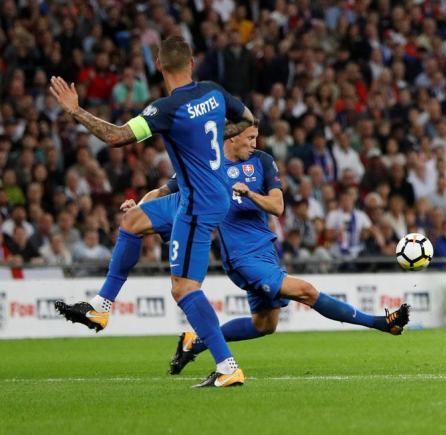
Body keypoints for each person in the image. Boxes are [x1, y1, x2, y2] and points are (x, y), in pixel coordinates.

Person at [49, 35, 256, 388]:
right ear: (192, 63)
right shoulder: (214, 92)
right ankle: (101, 307)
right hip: (208, 191)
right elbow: (248, 118)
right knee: (133, 221)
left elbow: (116, 137)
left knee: (184, 289)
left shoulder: (165, 109)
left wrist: (75, 111)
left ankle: (227, 366)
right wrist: (210, 139)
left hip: (197, 204)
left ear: (158, 65)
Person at [122, 125, 410, 375]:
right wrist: (140, 208)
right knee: (307, 291)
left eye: (256, 137)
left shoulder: (262, 161)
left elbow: (277, 206)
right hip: (241, 257)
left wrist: (250, 193)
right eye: (250, 137)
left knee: (264, 325)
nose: (254, 143)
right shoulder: (206, 165)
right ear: (232, 137)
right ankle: (381, 323)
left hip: (265, 250)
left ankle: (193, 343)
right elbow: (163, 191)